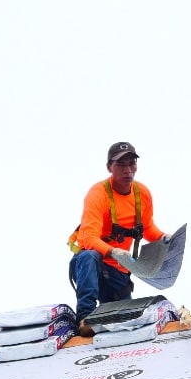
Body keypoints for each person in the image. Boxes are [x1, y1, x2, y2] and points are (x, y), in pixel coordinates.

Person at [68, 141, 168, 335]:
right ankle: (85, 318)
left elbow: (148, 229)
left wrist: (165, 238)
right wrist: (112, 251)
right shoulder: (98, 194)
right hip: (93, 267)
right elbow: (88, 238)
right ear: (109, 167)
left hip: (119, 271)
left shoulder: (142, 194)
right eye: (121, 165)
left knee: (121, 326)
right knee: (89, 256)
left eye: (132, 163)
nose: (127, 170)